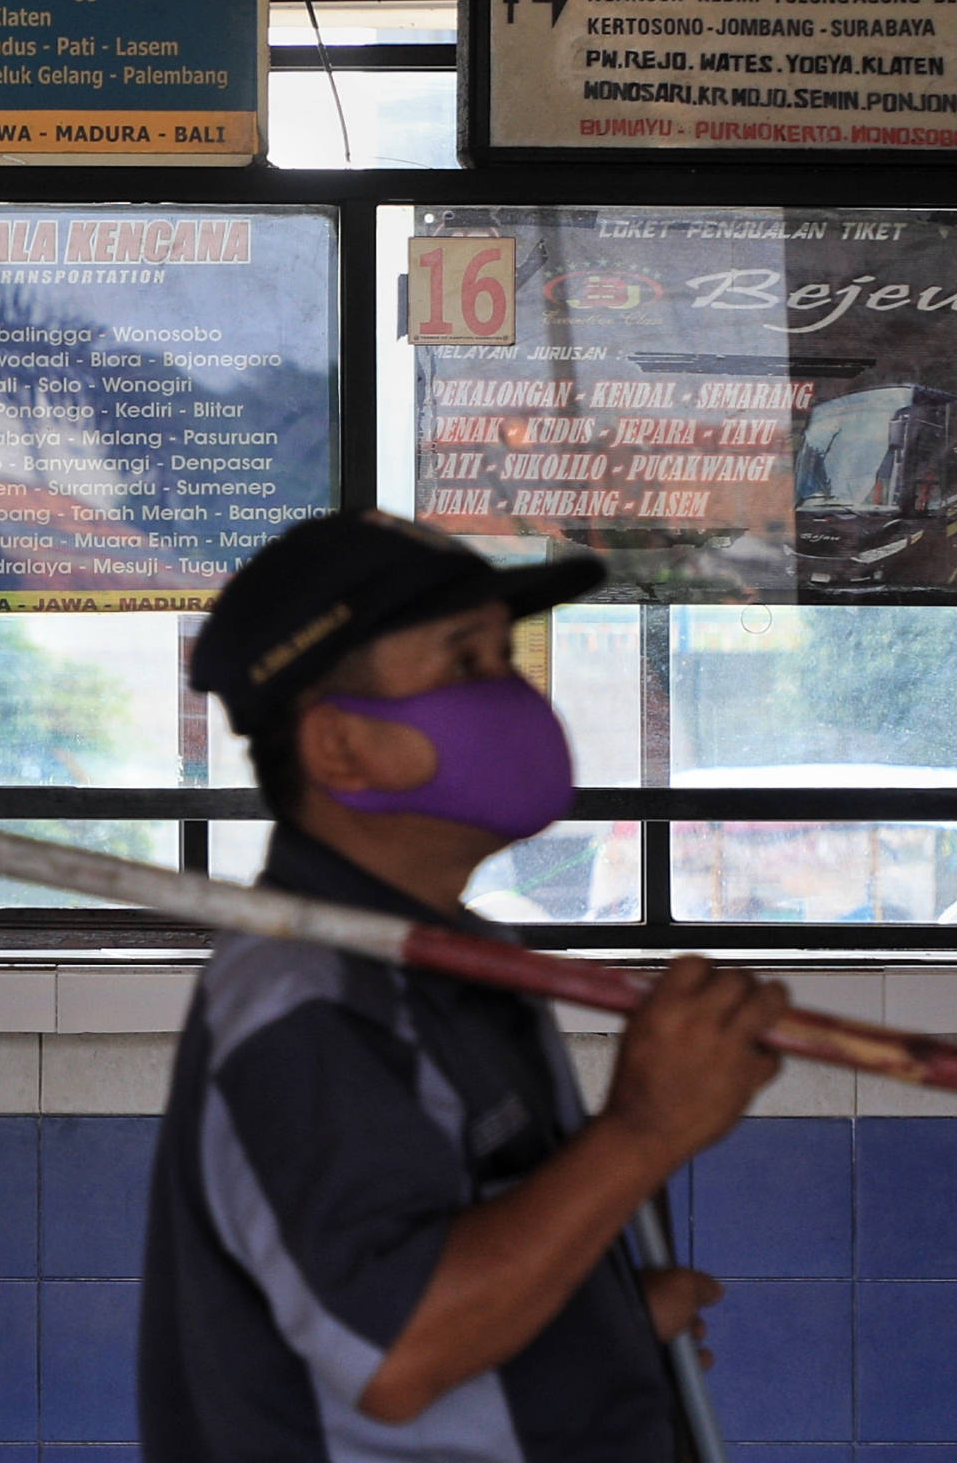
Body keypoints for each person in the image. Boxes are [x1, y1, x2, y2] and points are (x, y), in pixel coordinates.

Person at [141, 509, 788, 1462]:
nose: (513, 697)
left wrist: (604, 1320)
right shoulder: (305, 999)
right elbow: (399, 1349)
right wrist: (644, 1131)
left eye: (505, 657)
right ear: (340, 748)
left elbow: (476, 1257)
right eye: (466, 662)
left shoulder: (459, 957)